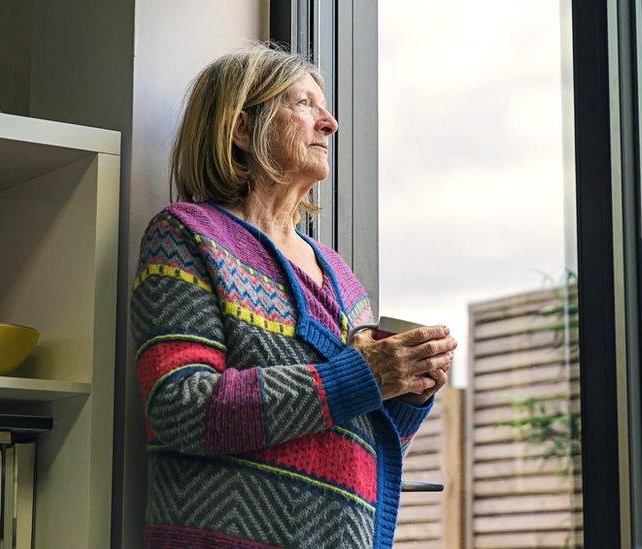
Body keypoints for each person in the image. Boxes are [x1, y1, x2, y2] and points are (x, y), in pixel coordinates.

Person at [131, 43, 457, 548]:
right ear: (241, 128)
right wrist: (363, 374)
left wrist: (411, 391)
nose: (330, 123)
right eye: (304, 104)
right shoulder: (186, 235)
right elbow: (180, 408)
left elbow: (359, 437)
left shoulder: (342, 277)